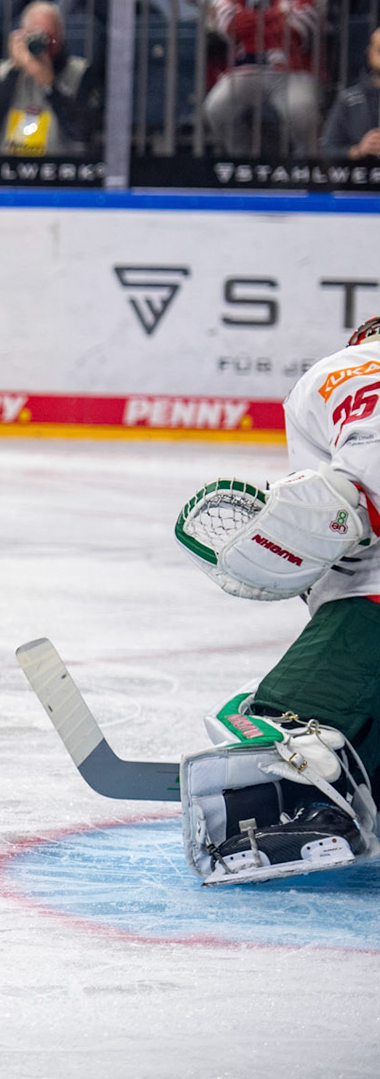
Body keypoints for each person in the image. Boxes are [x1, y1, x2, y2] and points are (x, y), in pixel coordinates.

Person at [172, 316, 380, 886]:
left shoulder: (349, 366)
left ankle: (313, 806)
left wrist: (346, 510)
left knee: (284, 726)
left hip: (371, 606)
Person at [203, 0, 322, 155]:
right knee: (216, 108)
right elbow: (230, 27)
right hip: (247, 69)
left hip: (295, 69)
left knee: (304, 113)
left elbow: (298, 31)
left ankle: (301, 173)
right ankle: (246, 161)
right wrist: (281, 12)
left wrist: (250, 22)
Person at [0, 0, 104, 155]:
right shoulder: (5, 71)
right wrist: (14, 71)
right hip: (12, 166)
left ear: (61, 38)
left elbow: (84, 131)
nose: (44, 45)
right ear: (22, 35)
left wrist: (51, 86)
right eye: (35, 36)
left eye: (50, 38)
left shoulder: (80, 72)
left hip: (60, 167)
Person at [323, 26, 380, 161]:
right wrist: (359, 151)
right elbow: (327, 149)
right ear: (369, 53)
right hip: (362, 179)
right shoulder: (349, 99)